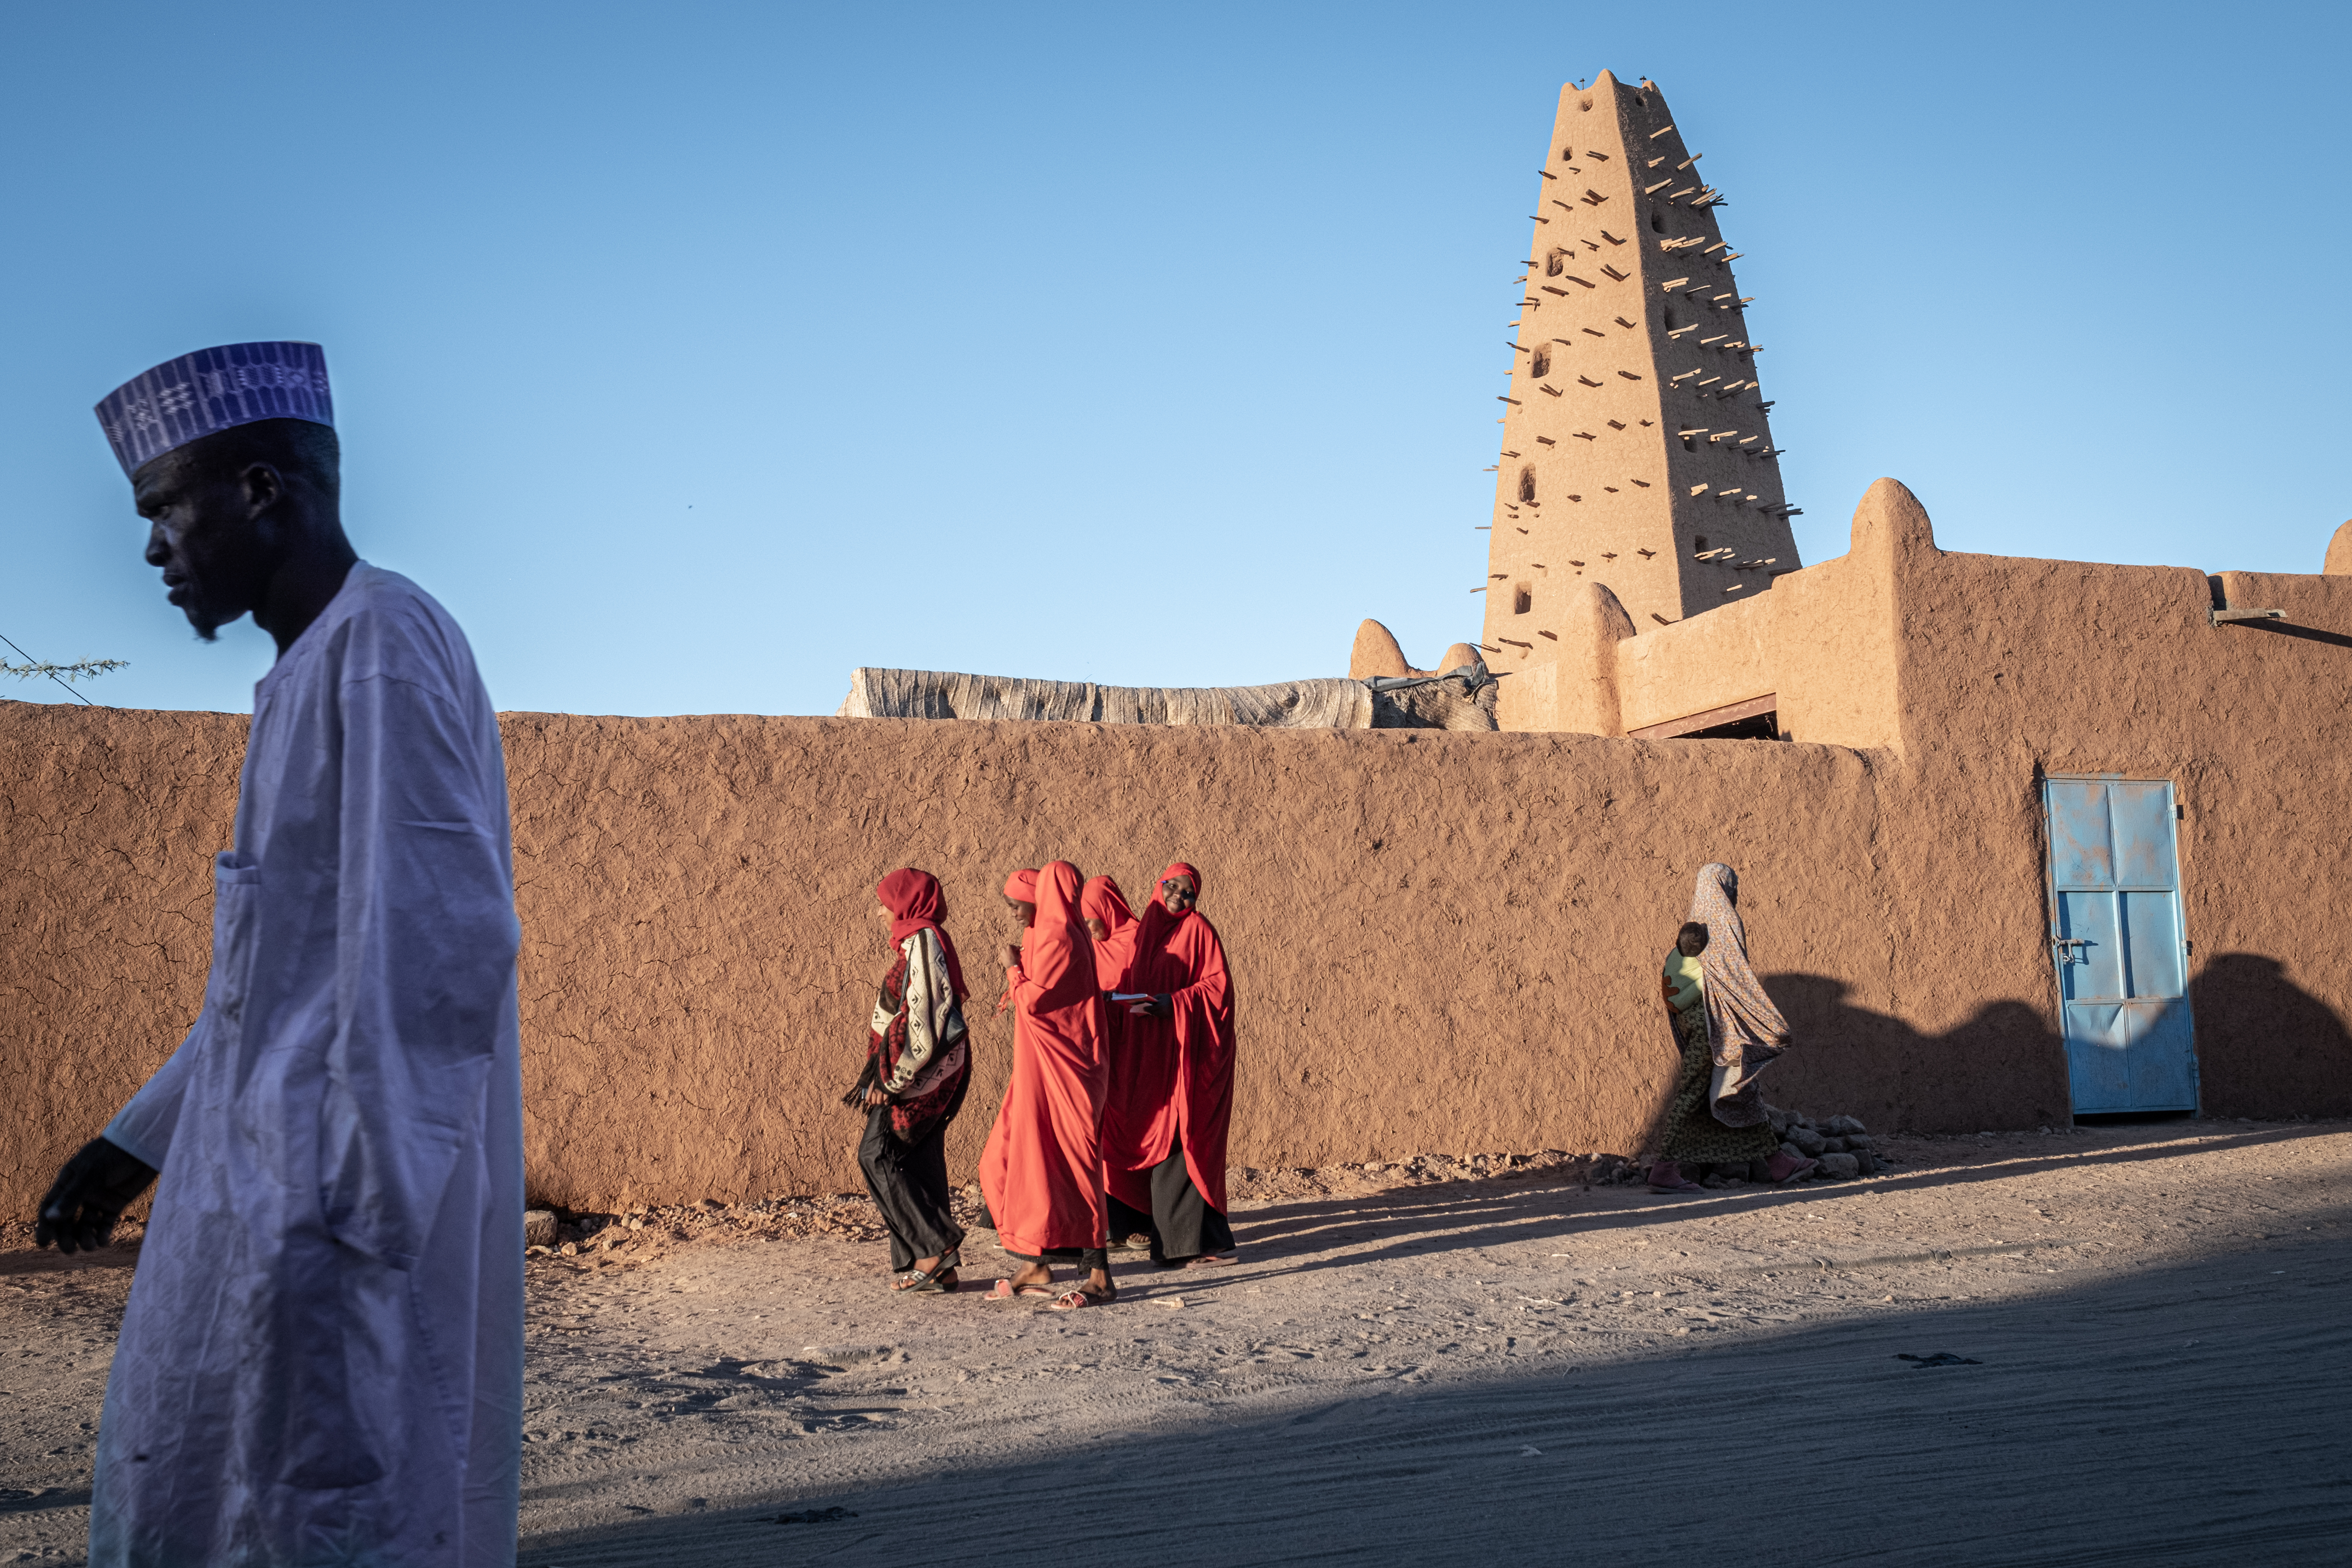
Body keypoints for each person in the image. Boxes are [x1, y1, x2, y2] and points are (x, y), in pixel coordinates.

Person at [36, 342, 524, 1565]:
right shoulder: (311, 669)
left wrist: (339, 1236)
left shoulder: (384, 646)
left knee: (328, 1515)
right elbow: (267, 988)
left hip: (330, 1232)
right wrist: (139, 1143)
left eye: (166, 511)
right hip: (266, 1203)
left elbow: (431, 958)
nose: (155, 550)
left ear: (262, 490)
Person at [978, 862, 1116, 1308]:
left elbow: (1036, 1002)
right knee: (1009, 1159)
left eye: (1017, 903)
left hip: (1068, 1073)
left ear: (1042, 897)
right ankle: (1035, 1261)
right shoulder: (1048, 935)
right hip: (1040, 1071)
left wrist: (1012, 969)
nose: (1014, 911)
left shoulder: (1060, 938)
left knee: (1075, 1165)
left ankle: (1100, 1276)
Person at [1650, 863, 1815, 1193]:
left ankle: (1777, 1163)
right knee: (1699, 1091)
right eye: (1732, 887)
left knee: (1739, 1088)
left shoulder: (1693, 929)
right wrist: (1764, 1021)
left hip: (1700, 1022)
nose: (1734, 894)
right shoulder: (1723, 923)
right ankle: (1664, 1171)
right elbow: (1736, 977)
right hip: (1716, 1024)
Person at [848, 868, 971, 1293]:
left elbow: (924, 1020)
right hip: (929, 1068)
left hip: (925, 1070)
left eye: (886, 904)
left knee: (877, 1152)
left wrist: (893, 1079)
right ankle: (942, 1267)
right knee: (919, 1155)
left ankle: (934, 1248)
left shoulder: (923, 941)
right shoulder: (916, 941)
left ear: (906, 905)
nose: (880, 912)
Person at [1114, 862, 1237, 1268]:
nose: (1179, 897)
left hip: (1189, 1058)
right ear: (1160, 884)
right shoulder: (1146, 929)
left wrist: (1176, 1004)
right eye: (1173, 887)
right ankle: (1179, 1241)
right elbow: (1131, 982)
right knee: (1157, 1139)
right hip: (1151, 1060)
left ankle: (1188, 1246)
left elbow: (1218, 989)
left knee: (1185, 1143)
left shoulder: (1200, 931)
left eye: (1189, 893)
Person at [1080, 875, 1153, 1254]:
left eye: (1092, 918)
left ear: (1107, 910)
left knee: (1138, 1131)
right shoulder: (1091, 947)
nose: (1090, 927)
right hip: (1104, 1055)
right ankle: (1115, 1224)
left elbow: (1154, 991)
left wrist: (1119, 1000)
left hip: (1137, 1054)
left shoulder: (1140, 940)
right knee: (1104, 1135)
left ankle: (1144, 1219)